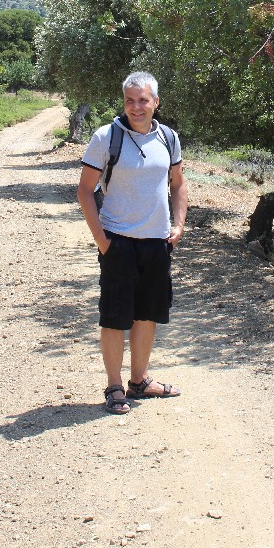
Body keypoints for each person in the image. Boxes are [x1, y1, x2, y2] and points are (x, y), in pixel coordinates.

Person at [77, 71, 188, 414]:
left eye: (143, 100)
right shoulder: (106, 137)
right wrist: (102, 240)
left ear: (156, 102)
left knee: (146, 315)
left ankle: (139, 381)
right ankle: (114, 387)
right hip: (118, 242)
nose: (136, 107)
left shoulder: (168, 138)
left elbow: (178, 184)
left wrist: (179, 226)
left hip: (156, 242)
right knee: (115, 318)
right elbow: (85, 190)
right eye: (130, 100)